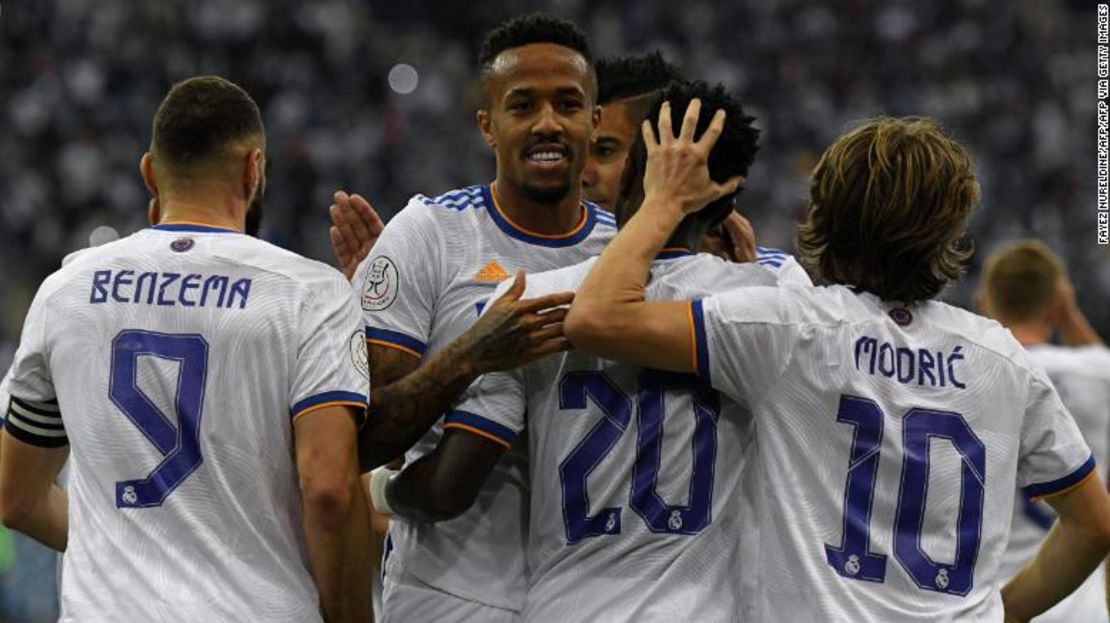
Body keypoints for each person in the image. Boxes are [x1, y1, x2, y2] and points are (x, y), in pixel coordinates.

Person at [563, 106, 1110, 621]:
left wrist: (661, 204)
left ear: (822, 214)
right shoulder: (1002, 358)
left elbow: (597, 318)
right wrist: (1002, 614)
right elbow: (1093, 525)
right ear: (952, 227)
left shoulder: (790, 331)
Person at [368, 81, 777, 621]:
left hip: (568, 606)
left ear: (640, 170)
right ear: (727, 195)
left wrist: (383, 490)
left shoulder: (534, 298)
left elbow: (448, 490)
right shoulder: (776, 303)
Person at [0, 76, 374, 622]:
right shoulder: (308, 293)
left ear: (149, 172)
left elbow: (17, 498)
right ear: (254, 170)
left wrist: (125, 552)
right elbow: (330, 490)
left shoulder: (65, 292)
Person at [346, 14, 615, 623]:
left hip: (594, 595)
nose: (548, 123)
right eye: (523, 106)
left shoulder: (629, 253)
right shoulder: (429, 236)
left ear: (593, 122)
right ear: (487, 126)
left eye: (567, 104)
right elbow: (359, 439)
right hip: (449, 593)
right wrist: (471, 355)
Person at [979, 239, 1110, 622]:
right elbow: (1100, 361)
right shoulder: (1098, 373)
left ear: (984, 302)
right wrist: (1068, 315)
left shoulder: (967, 375)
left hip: (986, 598)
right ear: (1058, 302)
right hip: (1081, 601)